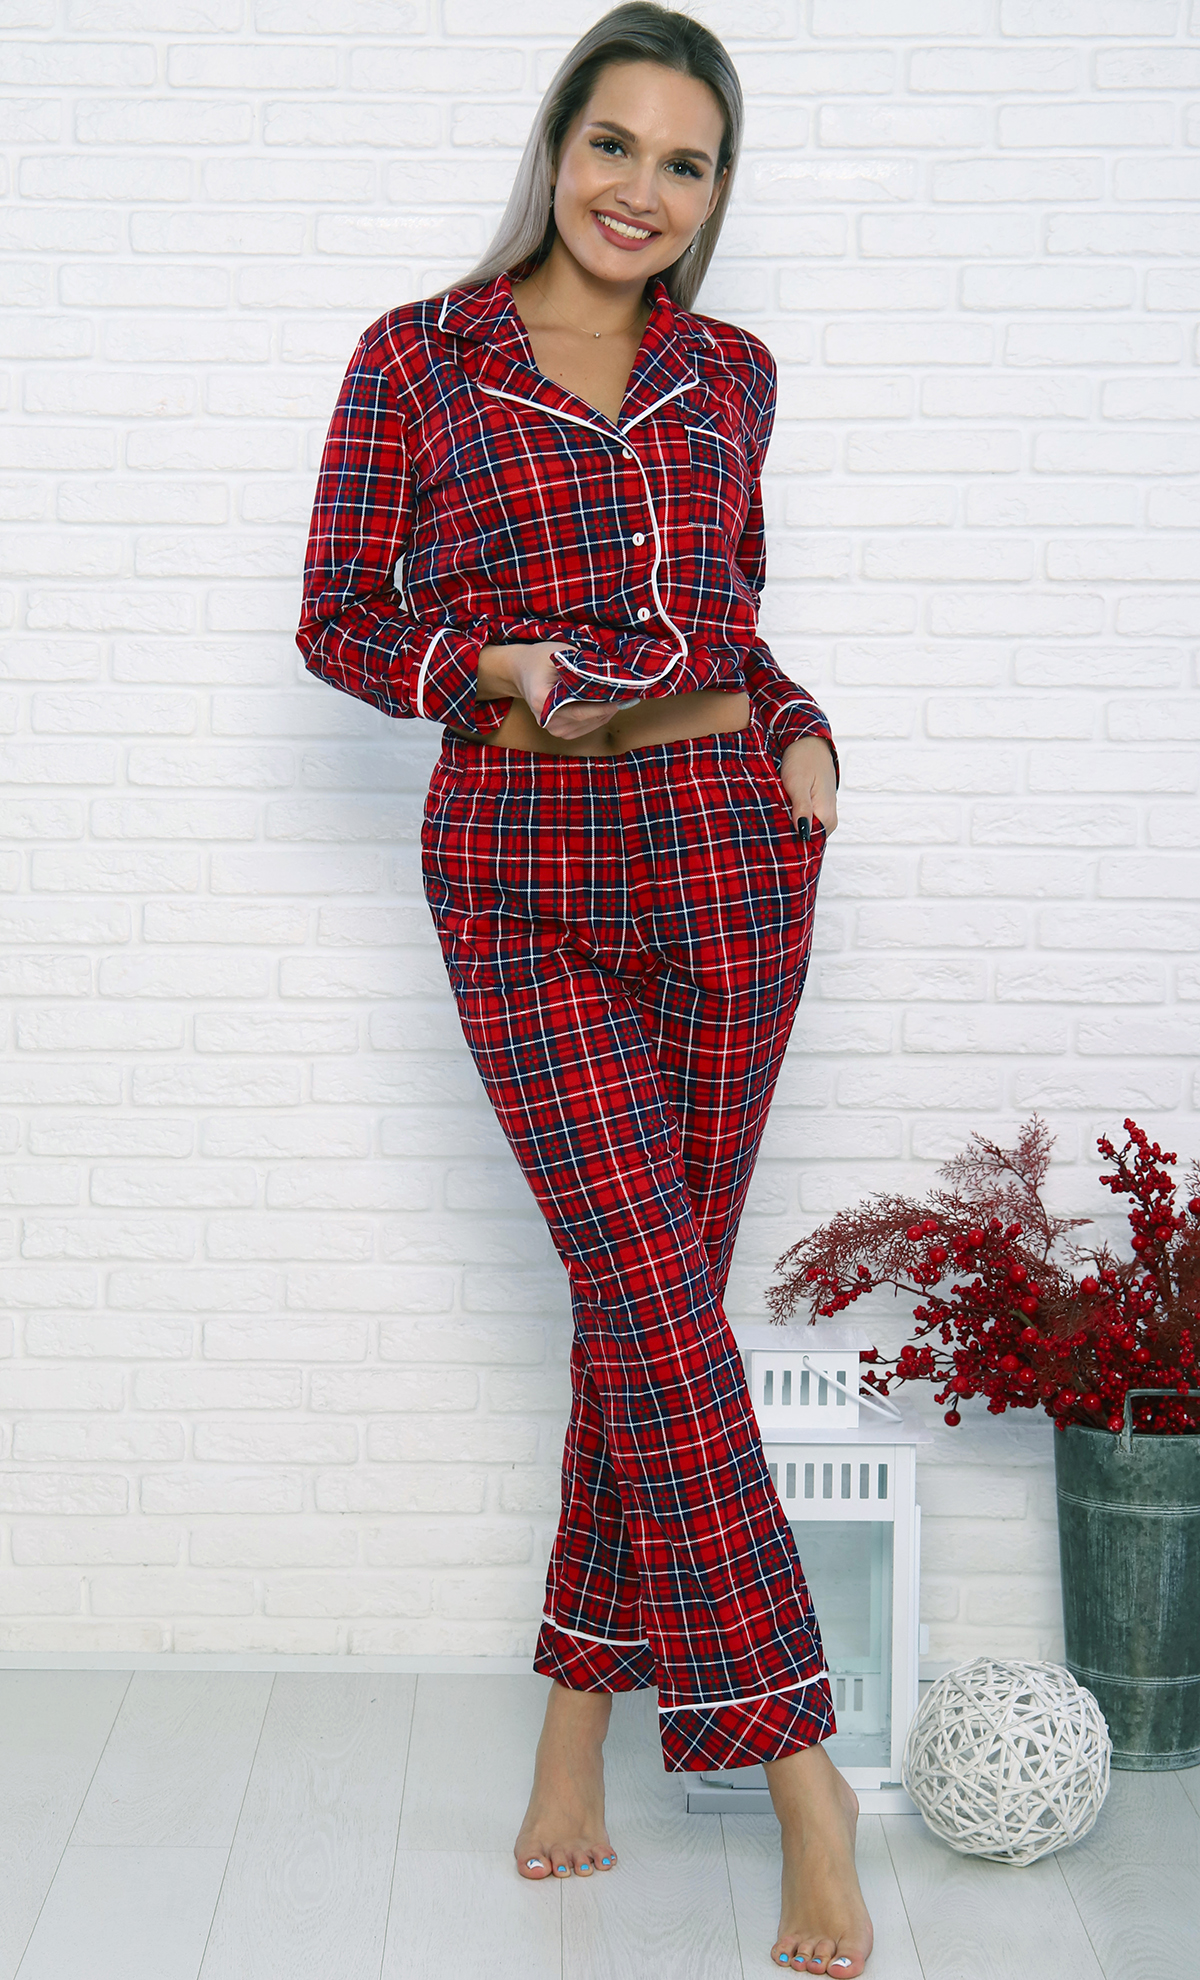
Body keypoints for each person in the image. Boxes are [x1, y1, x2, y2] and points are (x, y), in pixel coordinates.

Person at [298, 6, 871, 1971]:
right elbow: (338, 620)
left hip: (729, 852)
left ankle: (573, 1729)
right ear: (557, 148)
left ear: (716, 192)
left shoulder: (733, 373)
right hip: (520, 863)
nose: (640, 189)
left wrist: (799, 734)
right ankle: (805, 1782)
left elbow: (731, 618)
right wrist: (487, 664)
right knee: (651, 1301)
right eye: (612, 143)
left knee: (653, 1318)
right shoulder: (418, 356)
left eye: (683, 161)